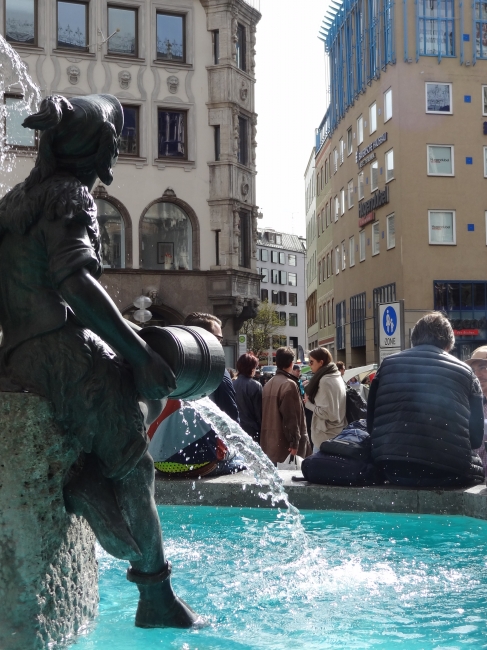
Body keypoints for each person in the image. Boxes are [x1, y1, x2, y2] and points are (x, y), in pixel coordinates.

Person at [0, 94, 197, 628]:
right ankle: (155, 595)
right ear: (103, 149)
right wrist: (138, 353)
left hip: (19, 352)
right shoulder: (70, 197)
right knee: (134, 467)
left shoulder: (18, 200)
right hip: (64, 353)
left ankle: (100, 503)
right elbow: (77, 283)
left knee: (129, 443)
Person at [367, 312, 485, 487]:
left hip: (391, 467)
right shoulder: (466, 373)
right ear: (448, 343)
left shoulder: (387, 365)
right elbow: (476, 439)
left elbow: (371, 424)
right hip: (447, 472)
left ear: (414, 339)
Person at [183, 312, 239, 423]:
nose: (220, 344)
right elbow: (231, 420)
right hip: (207, 438)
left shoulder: (174, 369)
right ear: (203, 337)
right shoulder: (217, 372)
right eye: (218, 339)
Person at [260, 347, 312, 464]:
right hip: (286, 447)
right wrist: (294, 443)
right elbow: (291, 417)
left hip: (270, 443)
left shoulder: (268, 385)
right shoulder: (289, 385)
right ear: (291, 363)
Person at [304, 347, 347, 451]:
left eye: (312, 362)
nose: (309, 365)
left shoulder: (325, 381)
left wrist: (308, 403)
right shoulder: (335, 375)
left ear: (321, 362)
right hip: (335, 434)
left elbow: (329, 413)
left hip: (326, 437)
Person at [465, 346, 487, 474]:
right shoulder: (470, 404)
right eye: (473, 370)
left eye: (483, 368)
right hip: (476, 480)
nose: (477, 375)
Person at [233, 352, 262, 442]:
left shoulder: (232, 383)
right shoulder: (255, 386)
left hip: (236, 428)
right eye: (255, 367)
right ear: (251, 368)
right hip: (252, 430)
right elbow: (260, 412)